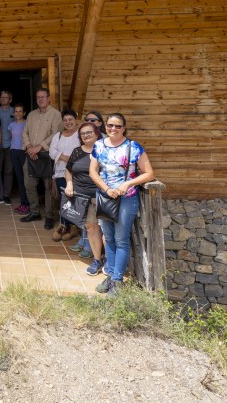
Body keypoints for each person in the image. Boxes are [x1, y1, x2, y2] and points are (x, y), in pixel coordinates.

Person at [90, 113, 155, 295]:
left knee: (121, 239)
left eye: (118, 126)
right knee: (108, 238)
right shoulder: (99, 145)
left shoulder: (132, 147)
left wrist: (127, 183)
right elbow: (93, 171)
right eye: (110, 125)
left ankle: (117, 280)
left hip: (126, 198)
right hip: (105, 197)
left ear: (124, 128)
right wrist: (106, 188)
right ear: (105, 126)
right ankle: (110, 276)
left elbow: (149, 173)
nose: (113, 129)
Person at [66, 121, 105, 276]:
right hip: (82, 197)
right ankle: (97, 260)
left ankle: (108, 261)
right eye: (82, 134)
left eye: (89, 132)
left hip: (102, 196)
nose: (86, 135)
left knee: (106, 231)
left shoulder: (104, 150)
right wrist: (69, 184)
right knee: (91, 227)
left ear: (97, 133)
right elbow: (69, 170)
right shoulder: (77, 152)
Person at [20, 88, 62, 227]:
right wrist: (29, 147)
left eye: (43, 97)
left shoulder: (56, 114)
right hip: (31, 154)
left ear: (49, 98)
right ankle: (35, 212)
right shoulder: (31, 115)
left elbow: (56, 133)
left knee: (48, 186)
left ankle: (49, 216)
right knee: (29, 184)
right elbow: (24, 132)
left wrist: (39, 147)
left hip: (46, 155)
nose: (40, 99)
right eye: (38, 97)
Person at [49, 109, 81, 242]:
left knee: (74, 199)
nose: (68, 122)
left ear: (75, 120)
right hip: (61, 172)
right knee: (64, 200)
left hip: (78, 173)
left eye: (70, 120)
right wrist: (64, 157)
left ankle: (72, 227)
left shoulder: (81, 134)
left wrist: (70, 160)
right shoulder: (58, 136)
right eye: (65, 120)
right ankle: (63, 225)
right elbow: (52, 151)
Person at [0, 90, 15, 205]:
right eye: (1, 97)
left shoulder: (15, 111)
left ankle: (6, 195)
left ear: (10, 99)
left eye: (5, 97)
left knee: (9, 170)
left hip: (11, 145)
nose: (3, 99)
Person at [7, 104, 30, 214]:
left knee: (27, 178)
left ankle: (28, 203)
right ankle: (23, 203)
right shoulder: (11, 125)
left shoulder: (27, 124)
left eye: (20, 111)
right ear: (13, 113)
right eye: (16, 111)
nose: (18, 113)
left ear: (24, 113)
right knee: (19, 177)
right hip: (14, 152)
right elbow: (12, 138)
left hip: (24, 152)